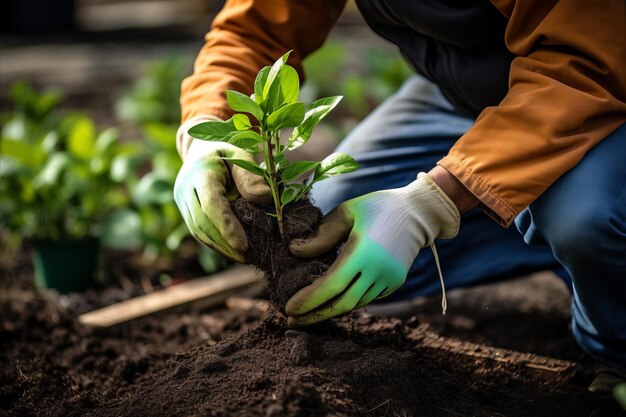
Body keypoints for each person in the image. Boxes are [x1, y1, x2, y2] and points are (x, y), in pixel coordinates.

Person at [173, 0, 626, 397]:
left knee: (584, 218)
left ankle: (616, 350)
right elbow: (254, 27)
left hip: (593, 86)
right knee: (335, 231)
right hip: (466, 94)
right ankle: (551, 238)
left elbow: (589, 60)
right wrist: (208, 131)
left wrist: (433, 202)